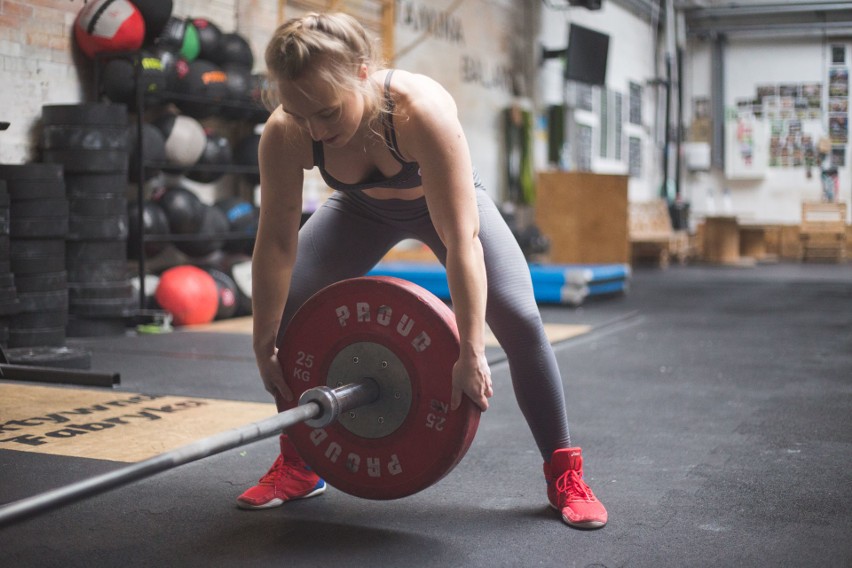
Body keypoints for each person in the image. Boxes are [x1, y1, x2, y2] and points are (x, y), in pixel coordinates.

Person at [237, 12, 607, 530]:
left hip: (443, 208)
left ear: (361, 73)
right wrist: (262, 340)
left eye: (326, 111)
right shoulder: (285, 132)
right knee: (288, 310)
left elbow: (463, 240)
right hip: (358, 210)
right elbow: (276, 244)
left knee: (521, 320)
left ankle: (564, 473)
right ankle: (299, 465)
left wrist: (472, 350)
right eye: (301, 115)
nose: (317, 129)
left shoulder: (418, 111)